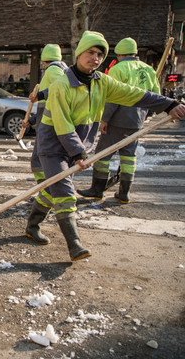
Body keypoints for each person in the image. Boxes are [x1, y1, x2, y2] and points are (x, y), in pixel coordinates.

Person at [24, 30, 185, 261]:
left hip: (78, 144)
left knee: (51, 189)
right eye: (91, 52)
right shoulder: (62, 84)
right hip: (54, 144)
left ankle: (32, 225)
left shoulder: (103, 82)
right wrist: (78, 152)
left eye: (100, 54)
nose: (96, 58)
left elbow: (135, 94)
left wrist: (168, 104)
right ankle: (75, 245)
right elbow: (62, 125)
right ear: (79, 53)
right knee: (65, 192)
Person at [76, 38, 160, 204]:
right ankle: (124, 193)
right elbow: (155, 95)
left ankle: (97, 189)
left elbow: (112, 98)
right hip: (137, 121)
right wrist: (147, 114)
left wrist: (105, 119)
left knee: (103, 154)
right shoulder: (148, 69)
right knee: (129, 157)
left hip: (117, 119)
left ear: (119, 54)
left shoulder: (118, 69)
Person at [22, 44, 68, 184]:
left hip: (48, 126)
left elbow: (61, 88)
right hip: (52, 122)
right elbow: (49, 104)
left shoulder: (53, 70)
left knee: (38, 161)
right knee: (47, 160)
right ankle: (48, 191)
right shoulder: (63, 69)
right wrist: (32, 119)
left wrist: (41, 94)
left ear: (44, 60)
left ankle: (46, 191)